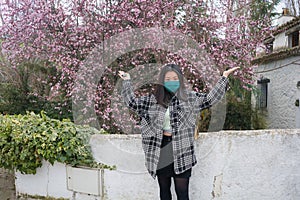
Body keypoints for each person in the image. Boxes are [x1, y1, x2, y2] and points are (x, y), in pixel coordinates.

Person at [119, 64, 239, 200]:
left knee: (182, 192)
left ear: (180, 79)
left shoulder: (190, 98)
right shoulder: (152, 100)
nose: (171, 81)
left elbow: (210, 99)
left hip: (183, 151)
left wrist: (224, 77)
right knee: (164, 191)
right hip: (161, 149)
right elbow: (132, 103)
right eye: (168, 79)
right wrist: (127, 81)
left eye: (175, 78)